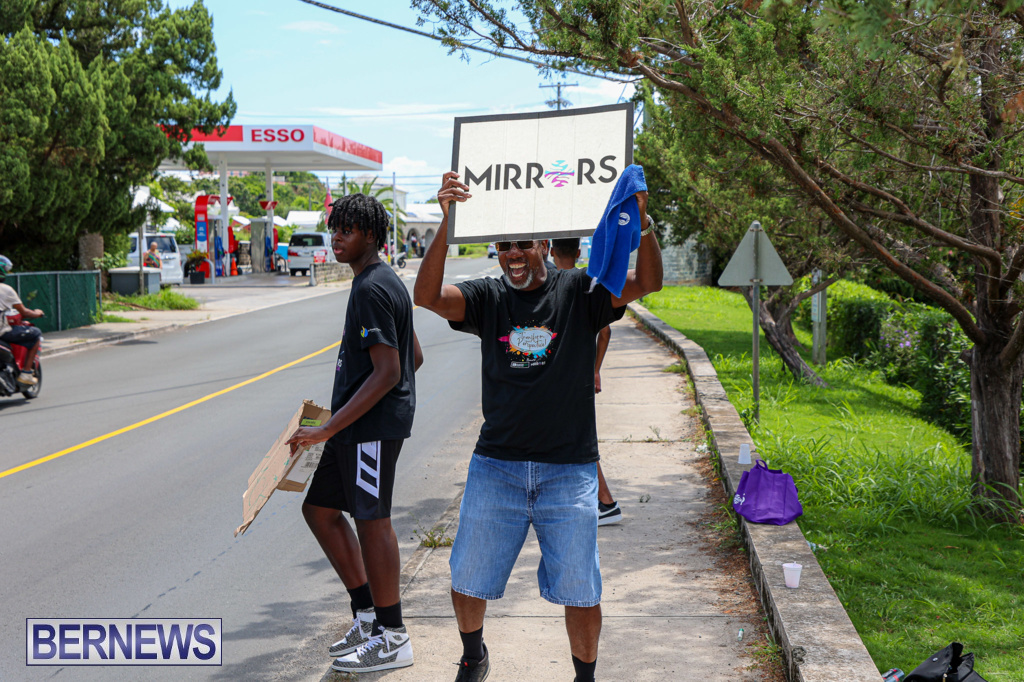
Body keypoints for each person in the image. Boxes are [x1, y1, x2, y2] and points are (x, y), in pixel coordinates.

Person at [414, 171, 662, 682]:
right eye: (504, 245)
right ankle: (473, 655)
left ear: (545, 244)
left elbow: (647, 283)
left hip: (568, 471)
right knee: (466, 578)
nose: (513, 254)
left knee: (581, 589)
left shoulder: (581, 290)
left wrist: (644, 221)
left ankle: (585, 678)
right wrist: (445, 220)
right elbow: (427, 296)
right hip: (496, 468)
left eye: (523, 243)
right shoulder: (487, 297)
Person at [285, 194, 423, 674]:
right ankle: (367, 616)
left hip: (369, 428)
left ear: (371, 234)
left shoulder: (370, 288)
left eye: (348, 229)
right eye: (334, 227)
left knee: (371, 518)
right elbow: (413, 357)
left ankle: (394, 634)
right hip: (357, 425)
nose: (337, 236)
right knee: (320, 509)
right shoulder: (381, 281)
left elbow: (389, 373)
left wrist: (327, 427)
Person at [549, 238, 621, 526]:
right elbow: (605, 333)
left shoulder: (550, 286)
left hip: (562, 379)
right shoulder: (587, 285)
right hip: (580, 376)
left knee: (579, 440)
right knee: (575, 437)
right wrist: (595, 370)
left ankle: (606, 502)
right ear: (579, 253)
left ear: (550, 251)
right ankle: (594, 500)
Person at [0, 256, 44, 386]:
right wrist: (37, 313)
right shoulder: (5, 289)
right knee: (35, 333)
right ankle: (26, 373)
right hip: (2, 332)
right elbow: (24, 312)